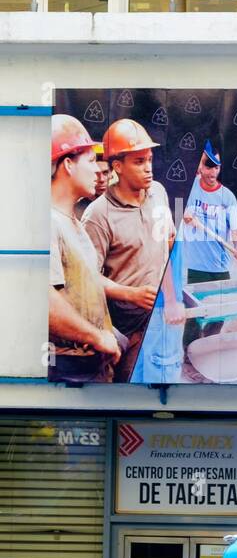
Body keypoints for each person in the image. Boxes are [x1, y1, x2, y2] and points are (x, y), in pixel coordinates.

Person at [82, 118, 176, 382]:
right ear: (118, 167)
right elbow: (84, 279)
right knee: (130, 398)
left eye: (149, 159)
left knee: (164, 390)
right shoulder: (99, 215)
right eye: (139, 162)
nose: (149, 169)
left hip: (159, 320)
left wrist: (170, 299)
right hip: (123, 331)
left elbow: (168, 247)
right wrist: (131, 294)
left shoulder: (158, 193)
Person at [48, 115, 120, 383]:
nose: (99, 171)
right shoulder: (48, 223)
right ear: (67, 164)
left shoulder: (73, 224)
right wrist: (97, 337)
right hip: (68, 370)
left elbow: (85, 283)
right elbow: (47, 304)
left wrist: (111, 337)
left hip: (91, 366)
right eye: (90, 161)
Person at [180, 140, 237, 344]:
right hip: (196, 265)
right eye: (208, 166)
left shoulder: (228, 197)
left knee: (220, 312)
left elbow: (235, 230)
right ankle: (190, 350)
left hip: (220, 265)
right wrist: (186, 215)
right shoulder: (190, 189)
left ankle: (206, 344)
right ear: (200, 165)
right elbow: (183, 211)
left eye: (216, 167)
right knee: (194, 312)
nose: (212, 172)